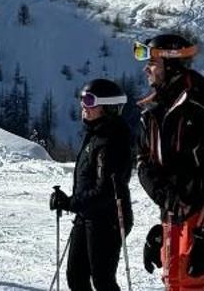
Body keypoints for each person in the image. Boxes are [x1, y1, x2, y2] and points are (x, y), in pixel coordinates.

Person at [134, 32, 204, 291]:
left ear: (171, 65)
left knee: (190, 279)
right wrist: (163, 198)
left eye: (152, 62)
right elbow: (143, 162)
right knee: (173, 278)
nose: (146, 69)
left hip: (203, 206)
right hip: (172, 206)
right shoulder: (151, 112)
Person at [50, 78, 134, 291]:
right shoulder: (96, 133)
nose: (83, 106)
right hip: (87, 215)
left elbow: (105, 190)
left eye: (89, 101)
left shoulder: (112, 140)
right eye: (82, 99)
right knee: (76, 276)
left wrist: (70, 203)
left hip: (107, 219)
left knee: (102, 280)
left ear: (107, 107)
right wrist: (72, 203)